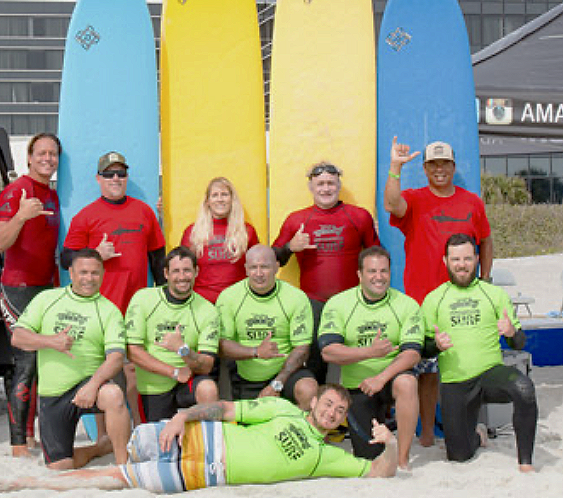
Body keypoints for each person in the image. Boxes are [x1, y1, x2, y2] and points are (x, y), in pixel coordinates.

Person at [0, 384, 399, 494]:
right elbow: (225, 410)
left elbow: (379, 474)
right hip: (196, 437)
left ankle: (32, 482)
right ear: (314, 405)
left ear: (341, 421)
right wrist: (183, 415)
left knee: (116, 478)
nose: (331, 413)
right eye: (327, 404)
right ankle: (98, 447)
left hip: (201, 475)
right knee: (134, 442)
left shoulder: (323, 457)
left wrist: (391, 445)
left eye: (339, 412)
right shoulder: (284, 409)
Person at [384, 138, 493, 447]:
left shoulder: (472, 202)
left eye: (445, 163)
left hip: (465, 299)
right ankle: (428, 434)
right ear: (425, 169)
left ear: (454, 167)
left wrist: (486, 279)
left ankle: (468, 424)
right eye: (434, 164)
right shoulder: (414, 199)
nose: (440, 169)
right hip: (422, 301)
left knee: (466, 364)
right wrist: (395, 167)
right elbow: (392, 204)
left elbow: (485, 240)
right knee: (427, 372)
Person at [421, 234, 537, 472]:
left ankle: (526, 462)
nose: (461, 265)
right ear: (445, 261)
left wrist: (511, 331)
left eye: (466, 258)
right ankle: (477, 434)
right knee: (459, 456)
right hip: (455, 381)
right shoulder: (434, 299)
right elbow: (422, 349)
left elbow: (519, 344)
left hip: (489, 375)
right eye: (455, 259)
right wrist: (436, 346)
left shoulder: (493, 294)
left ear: (476, 259)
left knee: (524, 388)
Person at [11, 248, 131, 470]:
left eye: (95, 273)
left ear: (103, 274)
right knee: (60, 466)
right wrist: (51, 341)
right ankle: (97, 448)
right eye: (83, 272)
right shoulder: (47, 299)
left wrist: (93, 385)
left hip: (89, 384)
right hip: (53, 395)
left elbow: (115, 358)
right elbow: (18, 337)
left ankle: (123, 466)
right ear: (71, 273)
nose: (89, 279)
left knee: (113, 394)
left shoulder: (109, 311)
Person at [272, 161, 379, 384]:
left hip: (352, 302)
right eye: (320, 184)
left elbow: (376, 256)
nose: (326, 189)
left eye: (331, 183)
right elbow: (273, 260)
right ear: (311, 187)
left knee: (360, 362)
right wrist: (291, 247)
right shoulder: (297, 220)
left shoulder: (358, 216)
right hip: (314, 303)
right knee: (314, 364)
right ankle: (313, 413)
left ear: (339, 185)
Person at [319, 246, 423, 469]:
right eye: (372, 271)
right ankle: (384, 431)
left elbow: (412, 353)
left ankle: (403, 458)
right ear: (359, 274)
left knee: (408, 382)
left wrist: (381, 378)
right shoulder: (339, 304)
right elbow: (328, 351)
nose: (379, 277)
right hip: (358, 385)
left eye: (384, 271)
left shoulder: (406, 304)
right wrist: (368, 352)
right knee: (369, 457)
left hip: (390, 379)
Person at [0, 132, 62, 457]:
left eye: (53, 154)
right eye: (41, 153)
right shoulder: (16, 191)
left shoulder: (53, 194)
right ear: (30, 158)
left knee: (42, 363)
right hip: (17, 288)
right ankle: (18, 444)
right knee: (25, 360)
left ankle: (32, 434)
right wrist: (20, 216)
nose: (47, 159)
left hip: (46, 288)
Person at [61, 151, 166, 314]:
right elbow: (65, 259)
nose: (115, 178)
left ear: (126, 177)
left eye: (121, 173)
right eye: (109, 174)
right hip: (99, 307)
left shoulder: (144, 211)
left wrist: (163, 299)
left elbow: (158, 258)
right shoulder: (85, 216)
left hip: (138, 307)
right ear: (99, 179)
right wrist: (96, 254)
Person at [216, 245, 317, 409]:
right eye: (253, 267)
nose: (259, 273)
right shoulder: (228, 297)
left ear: (276, 267)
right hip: (247, 377)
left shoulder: (296, 297)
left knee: (308, 389)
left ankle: (303, 431)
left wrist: (277, 383)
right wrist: (256, 352)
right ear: (246, 269)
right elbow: (221, 346)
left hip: (286, 375)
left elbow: (302, 348)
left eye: (265, 267)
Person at [126, 246, 220, 422]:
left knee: (208, 388)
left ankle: (210, 444)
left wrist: (183, 350)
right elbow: (132, 351)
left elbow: (207, 365)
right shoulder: (143, 299)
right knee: (158, 445)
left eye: (187, 270)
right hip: (154, 386)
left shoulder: (207, 310)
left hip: (189, 382)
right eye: (176, 271)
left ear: (196, 272)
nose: (182, 277)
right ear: (166, 273)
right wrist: (174, 372)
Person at [180, 177, 259, 303]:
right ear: (207, 201)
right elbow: (182, 271)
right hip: (202, 303)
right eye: (215, 195)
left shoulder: (247, 231)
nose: (220, 199)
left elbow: (257, 268)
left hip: (238, 302)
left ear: (232, 200)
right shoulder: (192, 232)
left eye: (225, 194)